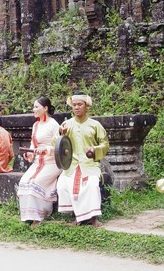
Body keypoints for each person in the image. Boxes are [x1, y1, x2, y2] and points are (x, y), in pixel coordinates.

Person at [56, 92, 109, 226]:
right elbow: (55, 143)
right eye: (74, 105)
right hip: (71, 164)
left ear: (87, 106)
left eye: (79, 104)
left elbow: (105, 144)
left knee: (91, 185)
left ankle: (93, 217)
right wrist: (60, 134)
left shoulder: (95, 125)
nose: (76, 107)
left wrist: (95, 150)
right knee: (63, 184)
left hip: (89, 164)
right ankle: (78, 216)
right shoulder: (66, 124)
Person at [17, 97, 62, 226]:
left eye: (36, 107)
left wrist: (46, 149)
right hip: (38, 163)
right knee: (25, 182)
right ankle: (28, 216)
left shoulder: (53, 124)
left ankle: (40, 215)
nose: (34, 109)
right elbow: (33, 144)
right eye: (34, 107)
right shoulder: (36, 125)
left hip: (52, 162)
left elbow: (61, 146)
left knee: (35, 182)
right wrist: (29, 153)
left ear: (45, 108)